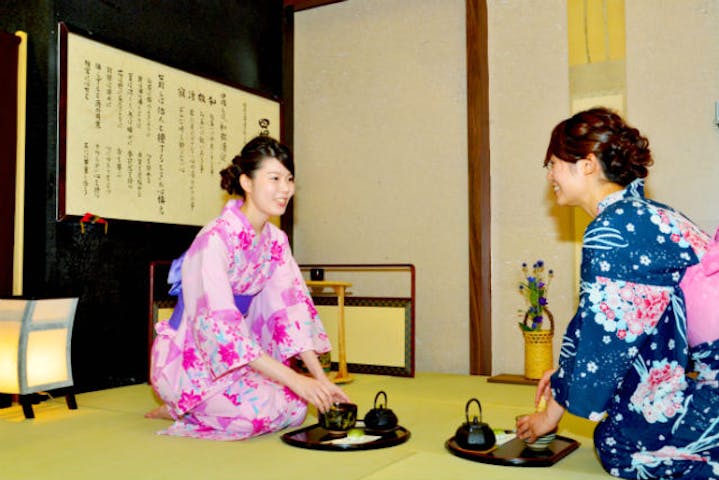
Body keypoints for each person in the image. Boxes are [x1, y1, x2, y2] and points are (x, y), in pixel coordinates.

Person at [516, 107, 719, 478]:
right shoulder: (642, 214)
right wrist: (559, 391)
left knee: (616, 444)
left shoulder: (616, 228)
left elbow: (605, 341)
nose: (549, 176)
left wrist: (559, 398)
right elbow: (596, 324)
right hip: (705, 366)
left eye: (554, 163)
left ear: (587, 164)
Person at [147, 135, 349, 440]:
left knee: (297, 409)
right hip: (192, 355)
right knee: (257, 415)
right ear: (247, 182)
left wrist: (320, 381)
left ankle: (197, 407)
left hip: (239, 354)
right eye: (275, 178)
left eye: (289, 179)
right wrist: (297, 381)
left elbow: (290, 311)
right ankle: (182, 404)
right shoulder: (214, 239)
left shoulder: (275, 241)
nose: (285, 189)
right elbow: (219, 328)